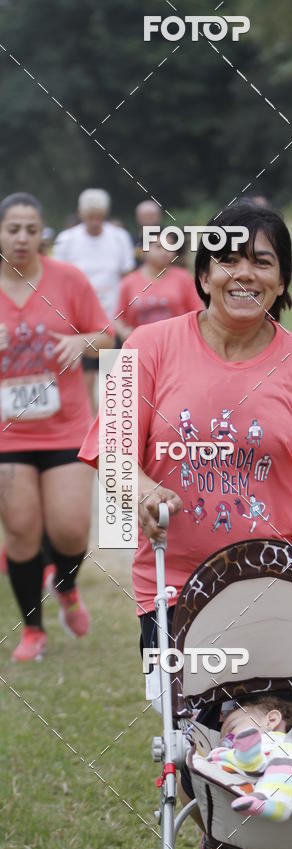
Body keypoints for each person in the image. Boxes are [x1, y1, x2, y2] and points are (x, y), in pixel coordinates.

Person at [79, 200, 292, 849]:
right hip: (178, 591)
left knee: (288, 764)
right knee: (208, 752)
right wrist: (145, 487)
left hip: (281, 590)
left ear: (282, 281)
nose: (244, 272)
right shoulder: (148, 349)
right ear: (204, 273)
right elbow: (114, 456)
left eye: (262, 260)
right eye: (228, 258)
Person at [0, 192, 114, 661]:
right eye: (12, 229)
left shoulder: (67, 279)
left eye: (30, 229)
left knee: (69, 531)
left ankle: (65, 587)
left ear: (42, 232)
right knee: (22, 529)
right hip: (8, 433)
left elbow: (107, 336)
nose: (22, 238)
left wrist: (79, 340)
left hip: (66, 426)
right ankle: (33, 630)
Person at [53, 189, 134, 408]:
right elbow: (58, 281)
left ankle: (115, 430)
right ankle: (87, 429)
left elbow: (127, 280)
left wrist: (123, 318)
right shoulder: (67, 240)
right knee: (84, 379)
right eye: (90, 216)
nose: (94, 221)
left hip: (112, 318)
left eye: (99, 216)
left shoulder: (119, 237)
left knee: (114, 380)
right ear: (81, 214)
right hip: (79, 322)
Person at [205, 695, 292, 822]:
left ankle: (276, 802)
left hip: (282, 777)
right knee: (218, 755)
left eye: (232, 728)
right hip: (243, 775)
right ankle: (250, 761)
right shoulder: (235, 749)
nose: (226, 740)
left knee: (287, 751)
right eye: (223, 738)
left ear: (272, 720)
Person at [113, 230, 204, 341]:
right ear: (143, 250)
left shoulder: (184, 278)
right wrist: (124, 332)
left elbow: (198, 311)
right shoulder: (129, 282)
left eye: (170, 247)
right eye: (159, 247)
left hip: (176, 343)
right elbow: (117, 318)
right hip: (140, 345)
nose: (165, 251)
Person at [134, 199, 162, 267]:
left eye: (152, 215)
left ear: (159, 217)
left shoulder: (168, 238)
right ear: (138, 218)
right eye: (145, 216)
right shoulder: (131, 239)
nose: (148, 218)